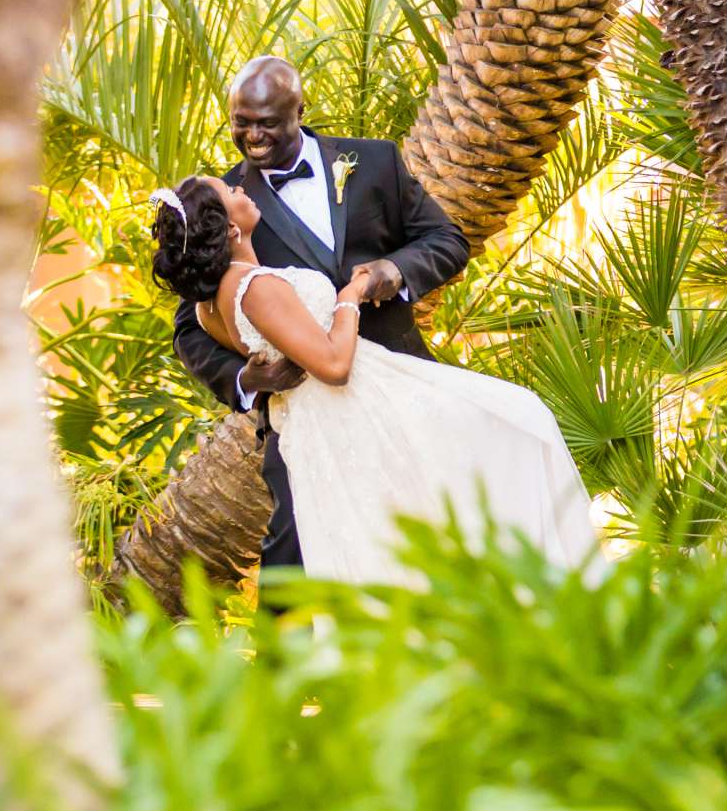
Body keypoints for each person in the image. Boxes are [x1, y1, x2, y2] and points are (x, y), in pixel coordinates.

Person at [161, 59, 594, 585]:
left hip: (402, 394)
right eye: (241, 121)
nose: (252, 136)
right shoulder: (221, 207)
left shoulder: (373, 163)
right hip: (310, 422)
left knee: (453, 527)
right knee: (298, 571)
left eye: (268, 122)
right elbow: (192, 322)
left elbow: (447, 240)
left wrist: (394, 269)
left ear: (301, 111)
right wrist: (244, 379)